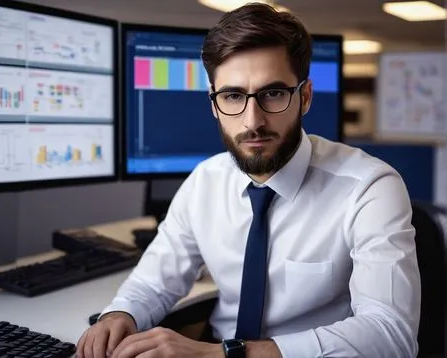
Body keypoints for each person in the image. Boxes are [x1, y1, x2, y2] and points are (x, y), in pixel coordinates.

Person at [77, 3, 421, 358]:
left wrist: (224, 355)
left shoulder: (369, 186)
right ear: (214, 103)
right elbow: (155, 279)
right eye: (233, 96)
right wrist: (121, 312)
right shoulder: (204, 182)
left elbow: (391, 334)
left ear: (303, 97)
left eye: (273, 93)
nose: (252, 120)